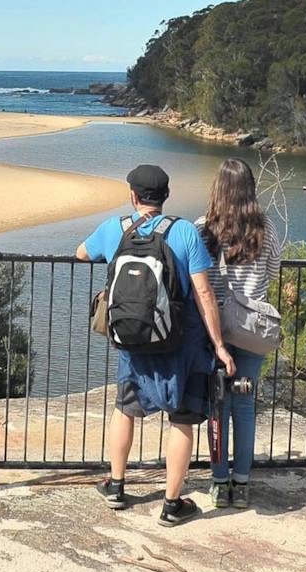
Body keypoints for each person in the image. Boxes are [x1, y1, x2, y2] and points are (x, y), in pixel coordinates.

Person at [77, 163, 236, 526]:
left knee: (125, 409)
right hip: (180, 342)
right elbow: (203, 292)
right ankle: (171, 504)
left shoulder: (115, 228)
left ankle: (116, 486)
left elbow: (81, 253)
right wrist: (220, 345)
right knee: (182, 419)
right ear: (166, 196)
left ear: (133, 196)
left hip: (133, 341)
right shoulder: (184, 231)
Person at [198, 158, 281, 510]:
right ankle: (242, 483)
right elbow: (273, 272)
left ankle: (220, 482)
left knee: (217, 406)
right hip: (252, 329)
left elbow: (197, 278)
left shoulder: (204, 227)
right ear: (250, 188)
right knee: (245, 406)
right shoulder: (265, 228)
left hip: (214, 328)